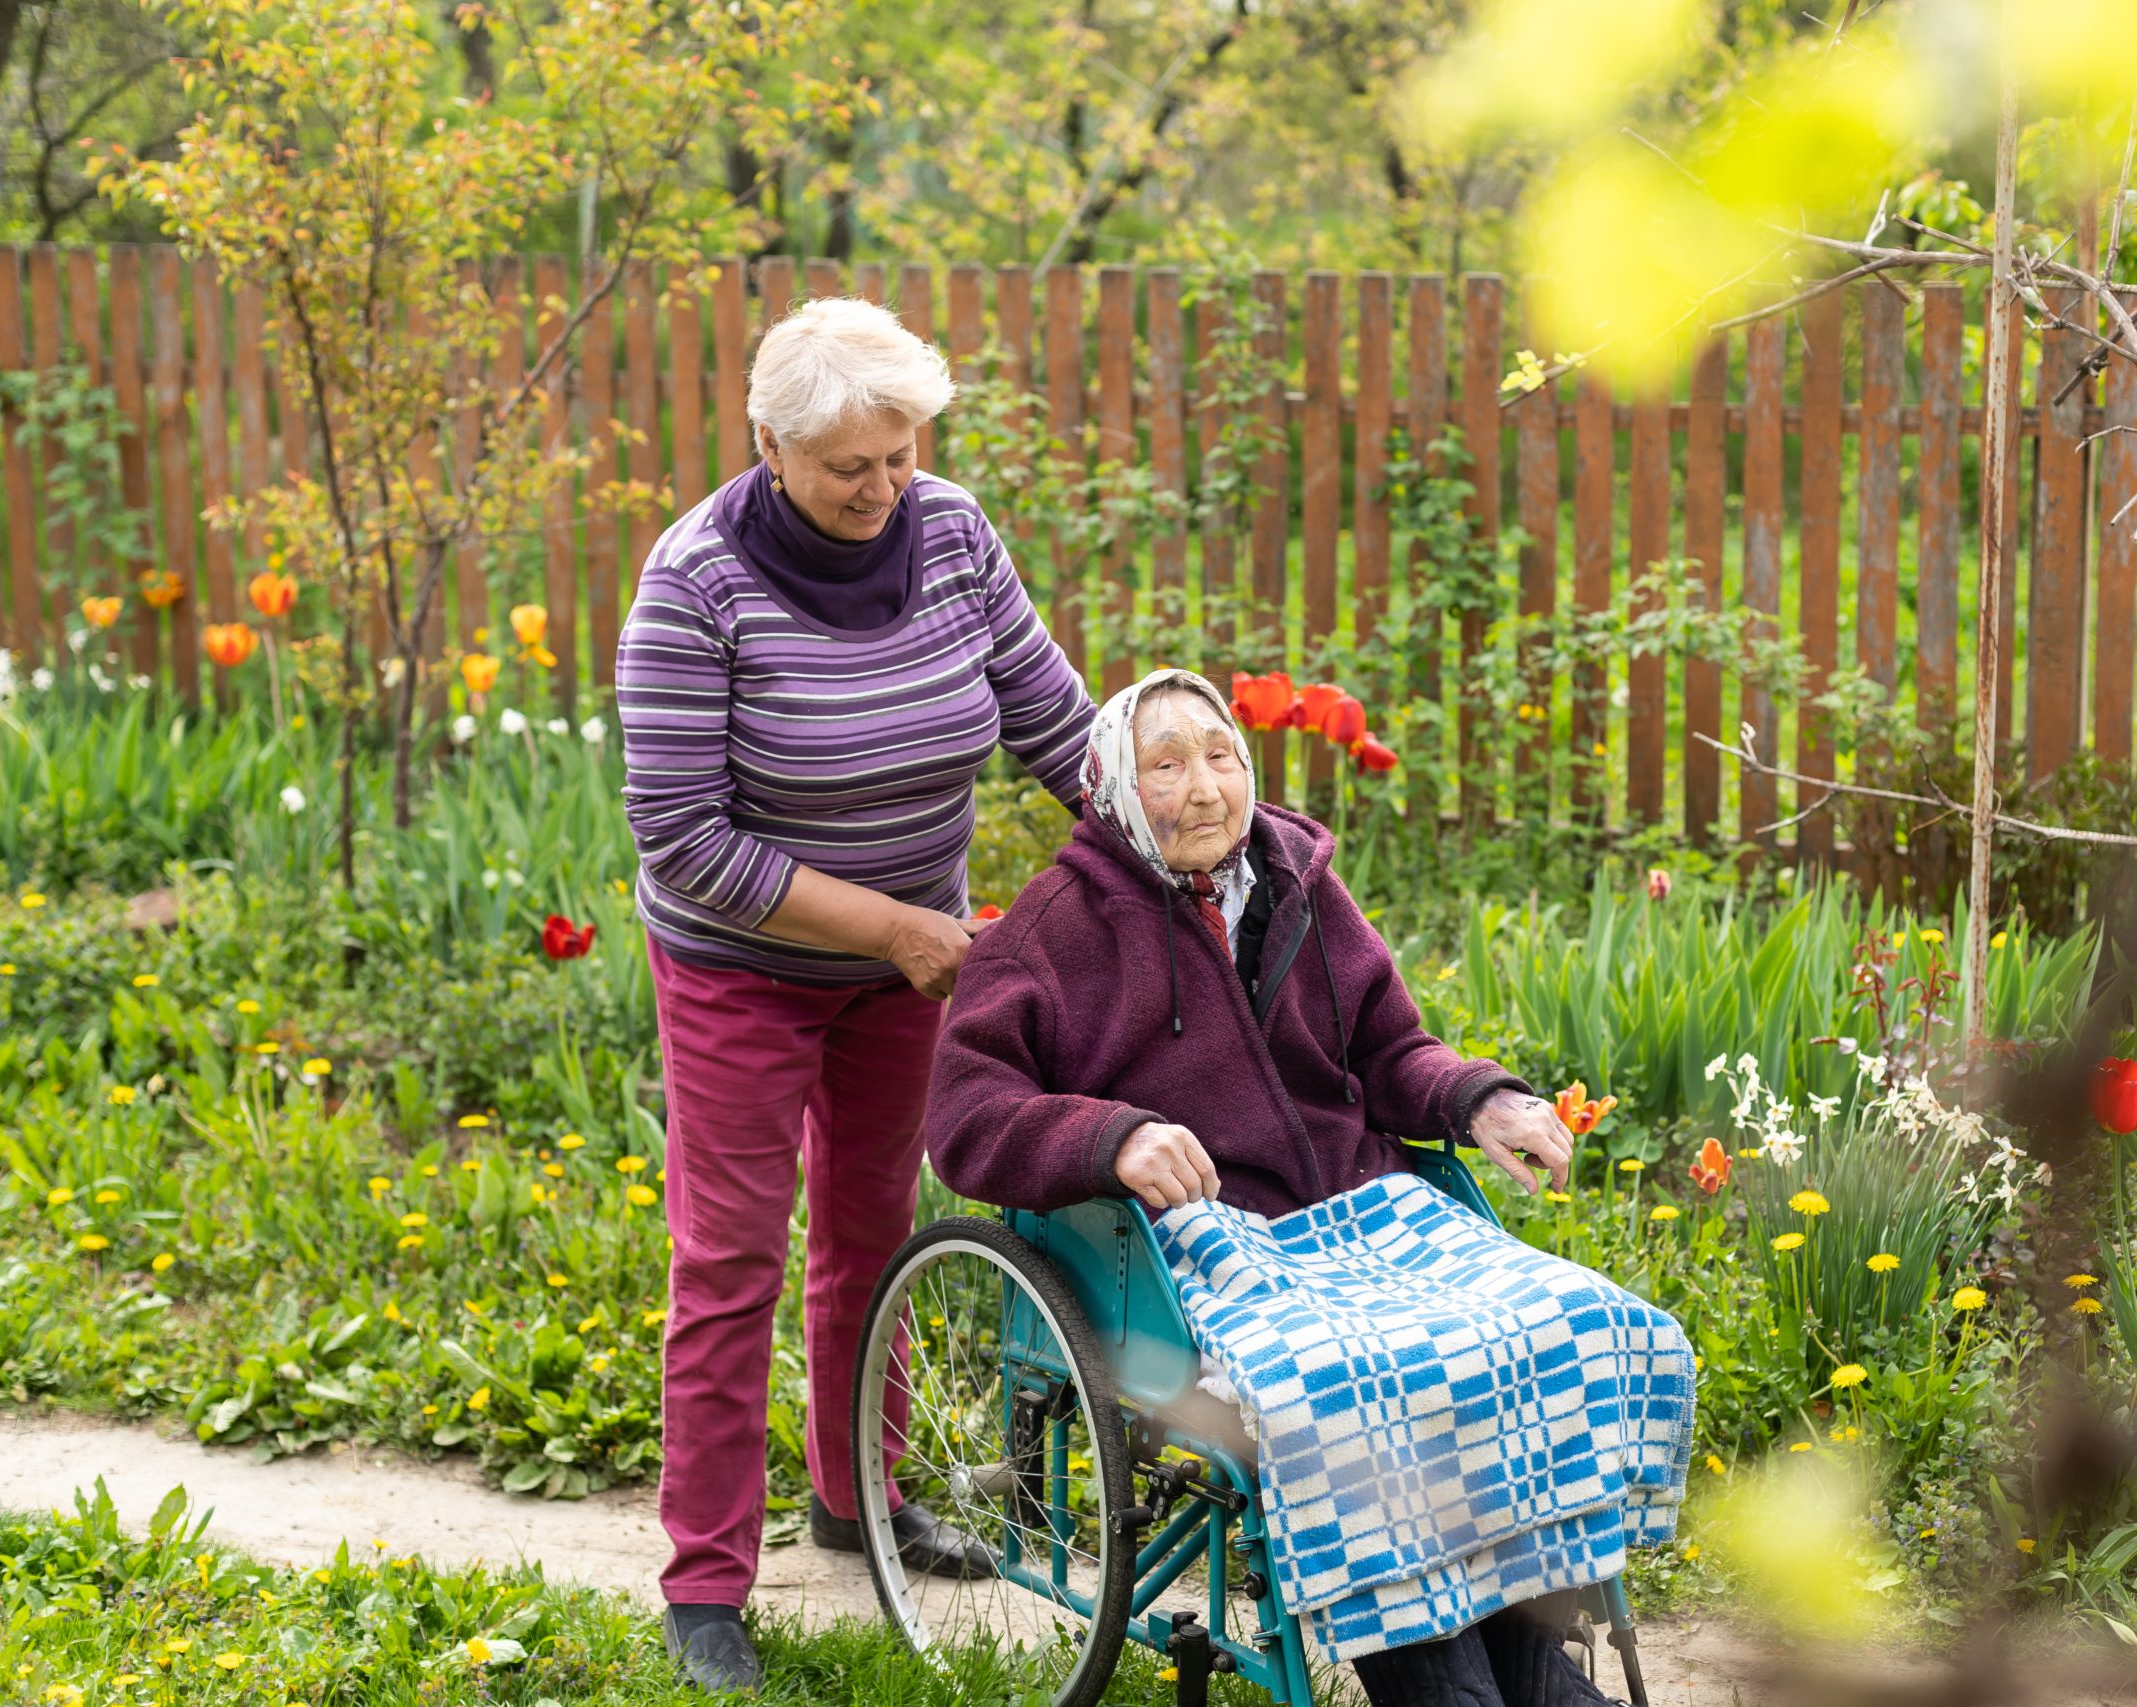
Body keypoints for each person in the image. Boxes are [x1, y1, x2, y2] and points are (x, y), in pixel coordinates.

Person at [924, 667, 1613, 1707]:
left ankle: (1526, 1661)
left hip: (1362, 1221)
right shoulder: (1054, 929)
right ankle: (1445, 1685)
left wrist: (1481, 1100)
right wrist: (1110, 1137)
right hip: (1198, 1256)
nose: (1205, 789)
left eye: (1222, 757)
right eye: (1166, 765)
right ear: (1114, 785)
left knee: (1552, 1323)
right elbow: (967, 1117)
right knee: (1352, 1388)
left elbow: (1390, 1050)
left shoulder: (1295, 877)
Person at [615, 296, 1096, 1696]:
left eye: (902, 453)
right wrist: (897, 926)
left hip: (907, 968)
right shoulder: (693, 584)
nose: (885, 488)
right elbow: (684, 839)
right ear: (770, 442)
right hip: (740, 969)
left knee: (874, 1233)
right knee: (732, 1259)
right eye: (850, 467)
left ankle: (858, 1495)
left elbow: (1055, 725)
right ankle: (706, 1586)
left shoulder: (950, 531)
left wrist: (1179, 836)